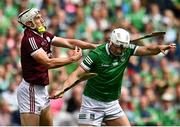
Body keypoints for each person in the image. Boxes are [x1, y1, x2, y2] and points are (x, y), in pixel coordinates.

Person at [51, 28, 176, 126]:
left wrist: (159, 48)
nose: (121, 51)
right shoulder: (96, 54)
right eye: (118, 47)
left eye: (123, 48)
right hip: (91, 104)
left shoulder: (126, 49)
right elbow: (76, 74)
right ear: (111, 42)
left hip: (112, 104)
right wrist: (62, 88)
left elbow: (147, 49)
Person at [16, 8, 97, 126]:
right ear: (29, 23)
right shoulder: (30, 39)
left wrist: (94, 46)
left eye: (40, 16)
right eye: (37, 18)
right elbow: (48, 63)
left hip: (42, 89)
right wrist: (72, 59)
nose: (42, 20)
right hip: (30, 91)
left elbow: (69, 43)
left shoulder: (43, 35)